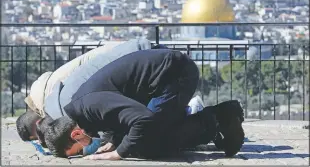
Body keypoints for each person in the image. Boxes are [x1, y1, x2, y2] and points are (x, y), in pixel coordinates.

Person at [42, 49, 244, 160]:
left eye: (79, 150)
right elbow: (117, 115)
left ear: (76, 134)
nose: (85, 150)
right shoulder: (83, 107)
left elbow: (142, 119)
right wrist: (114, 140)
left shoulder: (90, 104)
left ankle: (218, 118)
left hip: (175, 74)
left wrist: (118, 153)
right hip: (164, 80)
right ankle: (217, 120)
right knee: (138, 141)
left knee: (147, 144)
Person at [16, 38, 153, 142]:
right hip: (124, 52)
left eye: (39, 136)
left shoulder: (59, 105)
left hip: (135, 58)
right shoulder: (50, 94)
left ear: (38, 124)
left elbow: (102, 111)